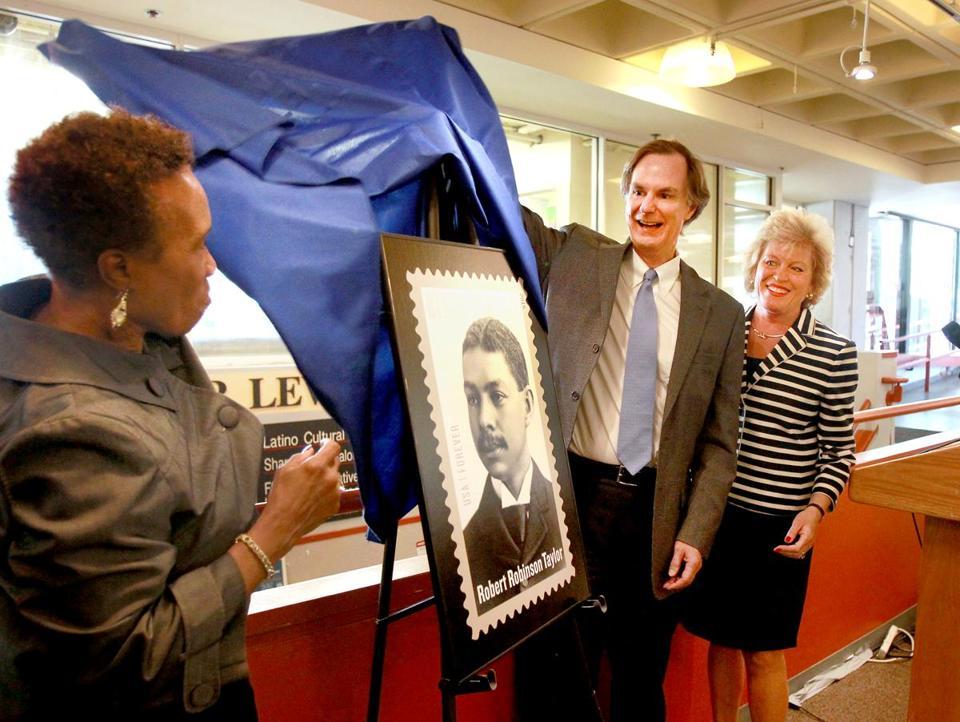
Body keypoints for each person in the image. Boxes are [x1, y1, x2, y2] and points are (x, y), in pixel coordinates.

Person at [0, 109, 342, 720]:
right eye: (196, 244)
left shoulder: (131, 333)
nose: (212, 264)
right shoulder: (73, 431)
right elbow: (119, 660)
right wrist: (274, 534)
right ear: (119, 269)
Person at [518, 138, 744, 722]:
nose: (648, 206)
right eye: (639, 191)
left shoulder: (719, 313)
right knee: (560, 675)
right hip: (573, 503)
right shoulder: (575, 258)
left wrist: (695, 532)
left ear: (690, 207)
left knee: (641, 680)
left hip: (657, 515)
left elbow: (720, 445)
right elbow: (502, 211)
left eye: (666, 194)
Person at [683, 208, 858, 722]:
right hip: (718, 517)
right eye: (771, 261)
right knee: (720, 641)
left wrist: (817, 509)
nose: (779, 275)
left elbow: (838, 450)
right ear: (754, 265)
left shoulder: (833, 352)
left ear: (814, 282)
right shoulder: (721, 333)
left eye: (796, 268)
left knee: (762, 652)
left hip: (778, 528)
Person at [460, 317, 563, 614]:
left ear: (528, 405)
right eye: (472, 399)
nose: (484, 421)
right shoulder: (465, 545)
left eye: (497, 396)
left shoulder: (565, 514)